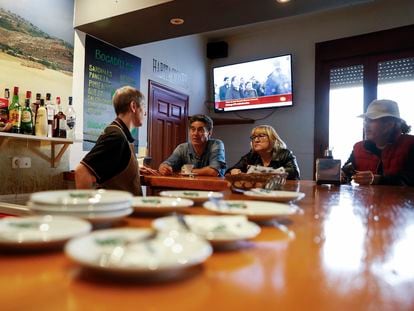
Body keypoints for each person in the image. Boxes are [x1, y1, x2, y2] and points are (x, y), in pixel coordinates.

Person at [75, 86, 158, 196]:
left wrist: (134, 168)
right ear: (133, 106)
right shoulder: (116, 136)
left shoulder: (121, 134)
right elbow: (82, 172)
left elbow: (112, 170)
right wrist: (88, 210)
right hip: (117, 211)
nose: (146, 113)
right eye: (143, 107)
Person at [342, 99, 414, 186]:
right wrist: (340, 176)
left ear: (389, 124)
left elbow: (410, 179)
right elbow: (346, 173)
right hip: (365, 199)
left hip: (402, 199)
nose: (365, 125)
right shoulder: (359, 148)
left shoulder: (410, 144)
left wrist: (379, 180)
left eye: (371, 120)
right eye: (365, 120)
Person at [158, 114, 226, 176]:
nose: (195, 134)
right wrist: (164, 167)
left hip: (212, 188)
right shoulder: (182, 148)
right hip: (188, 187)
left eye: (200, 130)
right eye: (193, 129)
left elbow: (213, 171)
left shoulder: (216, 144)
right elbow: (168, 163)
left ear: (209, 132)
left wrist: (188, 171)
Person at [227, 125, 300, 180]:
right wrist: (233, 171)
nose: (256, 140)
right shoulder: (252, 155)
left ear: (272, 139)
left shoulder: (284, 154)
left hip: (281, 191)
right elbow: (229, 171)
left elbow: (294, 173)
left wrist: (262, 173)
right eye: (253, 137)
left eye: (261, 136)